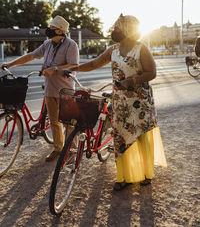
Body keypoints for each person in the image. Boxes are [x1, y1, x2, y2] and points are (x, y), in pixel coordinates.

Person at [69, 13, 167, 190]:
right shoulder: (112, 50)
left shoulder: (141, 48)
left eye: (117, 26)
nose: (114, 29)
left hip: (140, 102)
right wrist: (73, 69)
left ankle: (145, 173)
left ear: (129, 29)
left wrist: (131, 81)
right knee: (120, 137)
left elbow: (151, 72)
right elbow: (94, 64)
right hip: (120, 102)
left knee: (140, 136)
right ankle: (123, 177)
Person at [0, 15, 79, 162]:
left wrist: (55, 69)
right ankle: (58, 148)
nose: (48, 30)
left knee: (69, 123)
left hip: (65, 90)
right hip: (50, 89)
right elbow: (31, 56)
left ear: (61, 31)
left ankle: (72, 151)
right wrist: (10, 64)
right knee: (55, 122)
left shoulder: (71, 45)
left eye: (52, 28)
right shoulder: (47, 44)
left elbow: (74, 66)